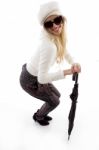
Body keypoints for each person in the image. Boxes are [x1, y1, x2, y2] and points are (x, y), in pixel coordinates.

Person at [19, 1, 81, 126]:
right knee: (55, 101)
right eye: (49, 23)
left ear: (62, 19)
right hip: (30, 80)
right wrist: (68, 72)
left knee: (57, 95)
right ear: (45, 27)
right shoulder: (49, 46)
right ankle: (39, 116)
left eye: (57, 20)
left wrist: (73, 62)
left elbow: (64, 50)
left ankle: (41, 112)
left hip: (35, 74)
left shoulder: (55, 37)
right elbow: (42, 78)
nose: (55, 26)